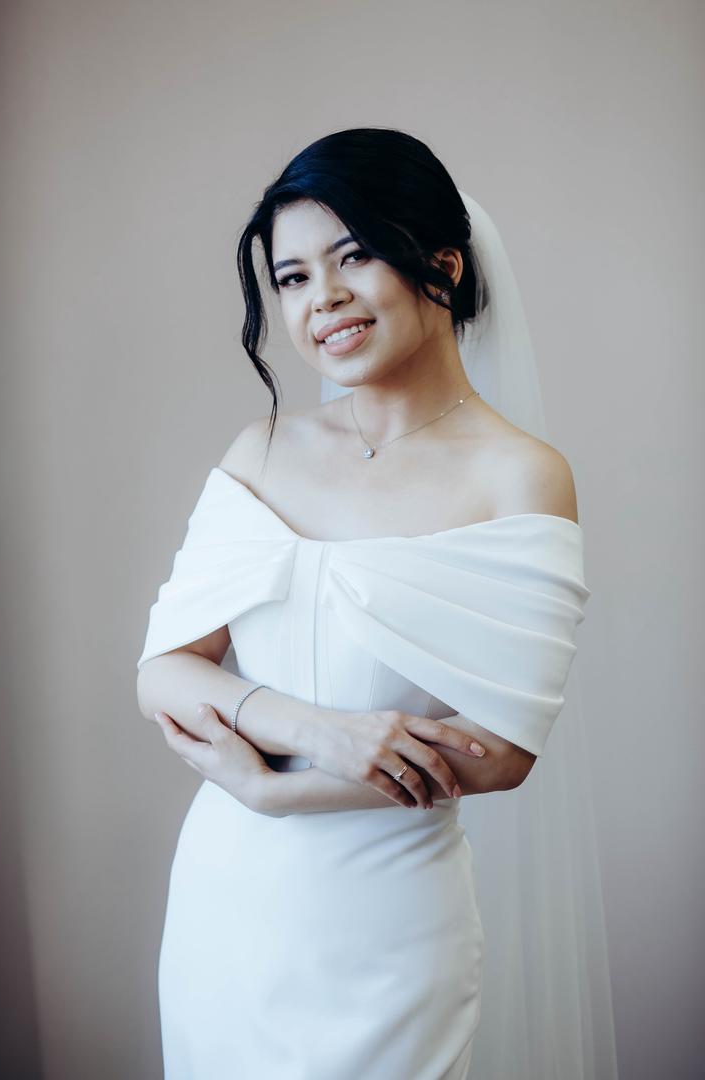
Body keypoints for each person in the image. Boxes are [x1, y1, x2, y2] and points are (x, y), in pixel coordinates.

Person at [136, 128, 618, 1079]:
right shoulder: (261, 450)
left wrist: (273, 789)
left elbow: (501, 753)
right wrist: (318, 731)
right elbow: (164, 674)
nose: (323, 298)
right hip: (225, 908)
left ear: (443, 265)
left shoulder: (521, 476)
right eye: (294, 277)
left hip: (391, 923)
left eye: (354, 256)